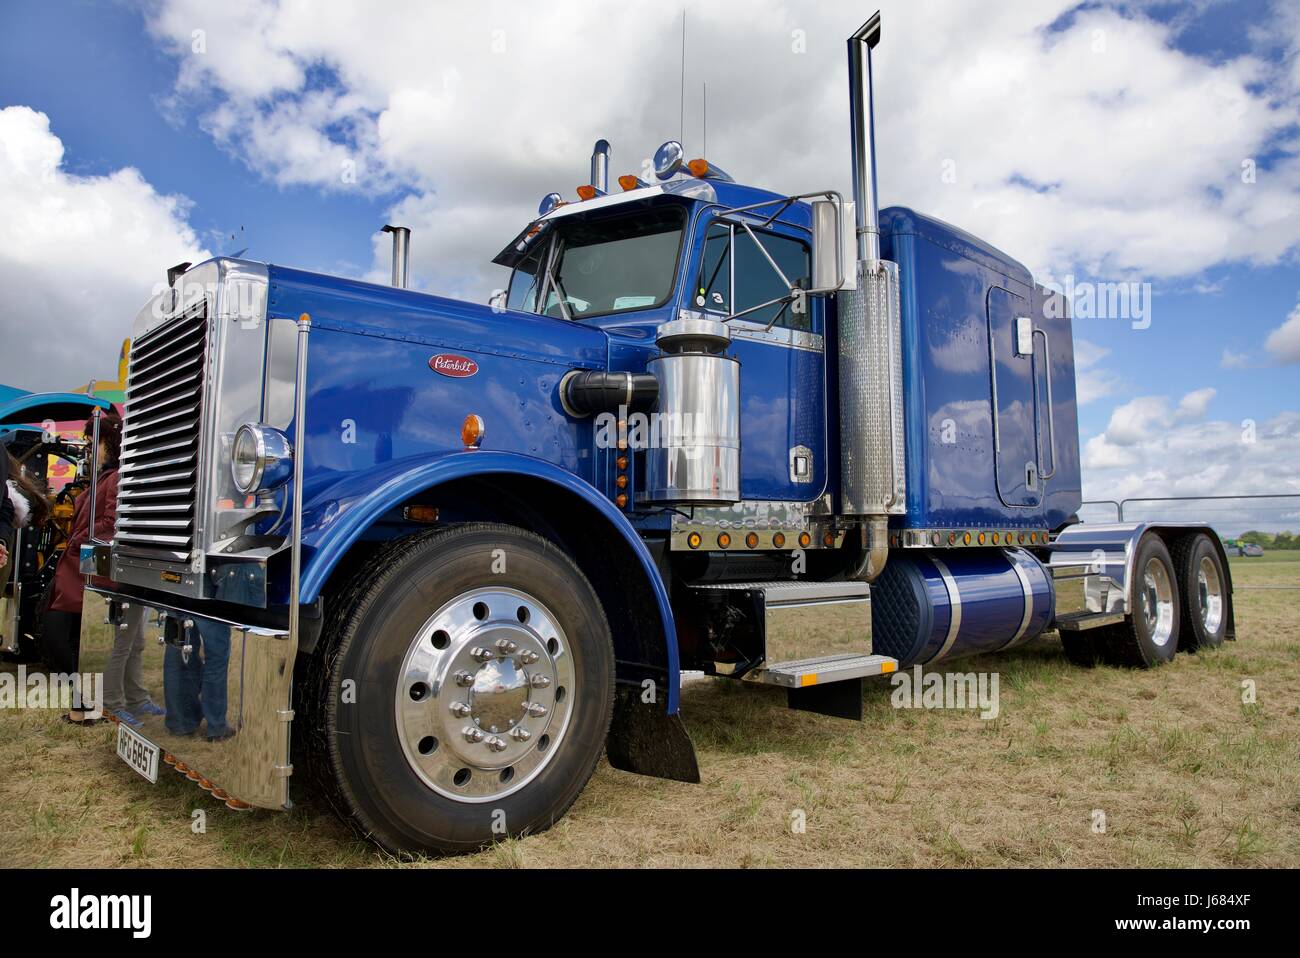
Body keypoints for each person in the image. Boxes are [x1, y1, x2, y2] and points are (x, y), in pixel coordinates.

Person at [43, 412, 127, 725]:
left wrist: (78, 540)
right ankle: (83, 705)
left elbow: (110, 524)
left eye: (96, 442)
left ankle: (87, 707)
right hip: (75, 566)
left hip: (89, 567)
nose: (90, 448)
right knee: (60, 637)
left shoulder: (115, 478)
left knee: (75, 640)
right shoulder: (99, 479)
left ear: (111, 443)